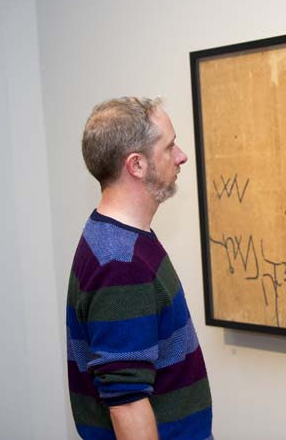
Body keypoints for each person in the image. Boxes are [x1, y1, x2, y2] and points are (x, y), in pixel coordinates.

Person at [66, 96, 213, 440]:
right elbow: (127, 404)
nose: (181, 156)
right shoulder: (120, 263)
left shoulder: (122, 239)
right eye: (169, 146)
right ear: (137, 165)